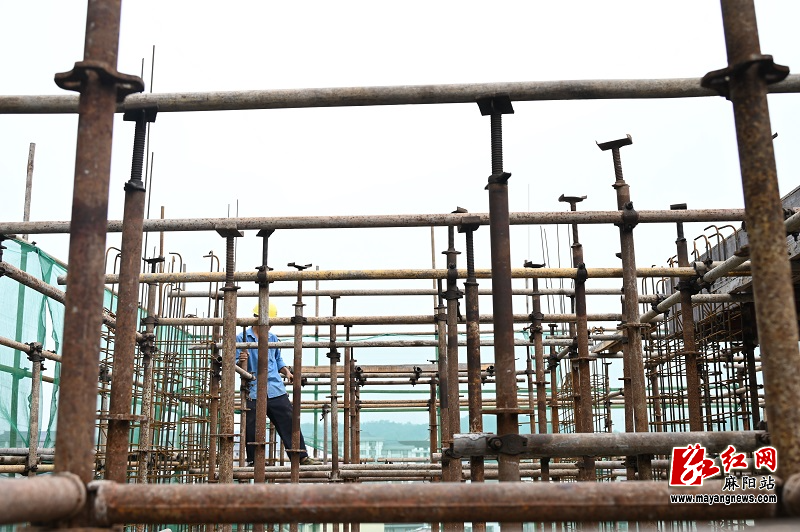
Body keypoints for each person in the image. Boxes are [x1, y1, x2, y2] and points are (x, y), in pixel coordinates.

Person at [237, 302, 321, 466]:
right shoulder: (242, 338)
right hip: (253, 389)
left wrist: (287, 372)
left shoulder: (272, 338)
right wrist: (241, 361)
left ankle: (300, 456)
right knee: (252, 425)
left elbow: (277, 360)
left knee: (289, 420)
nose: (269, 325)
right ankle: (254, 460)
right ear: (256, 318)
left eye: (271, 322)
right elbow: (233, 363)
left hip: (274, 387)